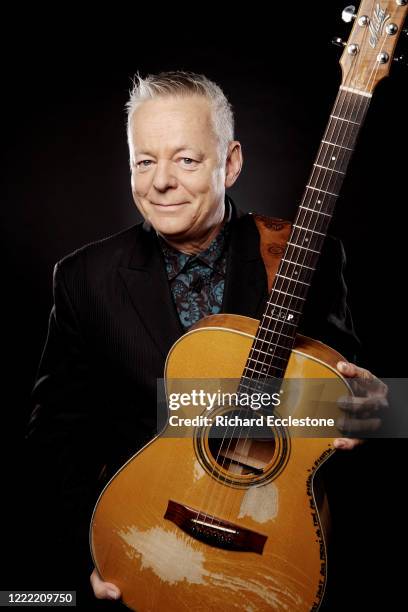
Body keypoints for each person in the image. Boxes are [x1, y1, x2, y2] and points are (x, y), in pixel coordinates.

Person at [26, 71, 387, 608]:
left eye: (186, 160)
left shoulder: (305, 256)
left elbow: (346, 393)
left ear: (232, 163)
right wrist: (88, 553)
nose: (161, 182)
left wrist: (376, 411)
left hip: (267, 540)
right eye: (144, 161)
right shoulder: (84, 278)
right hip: (147, 537)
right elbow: (57, 438)